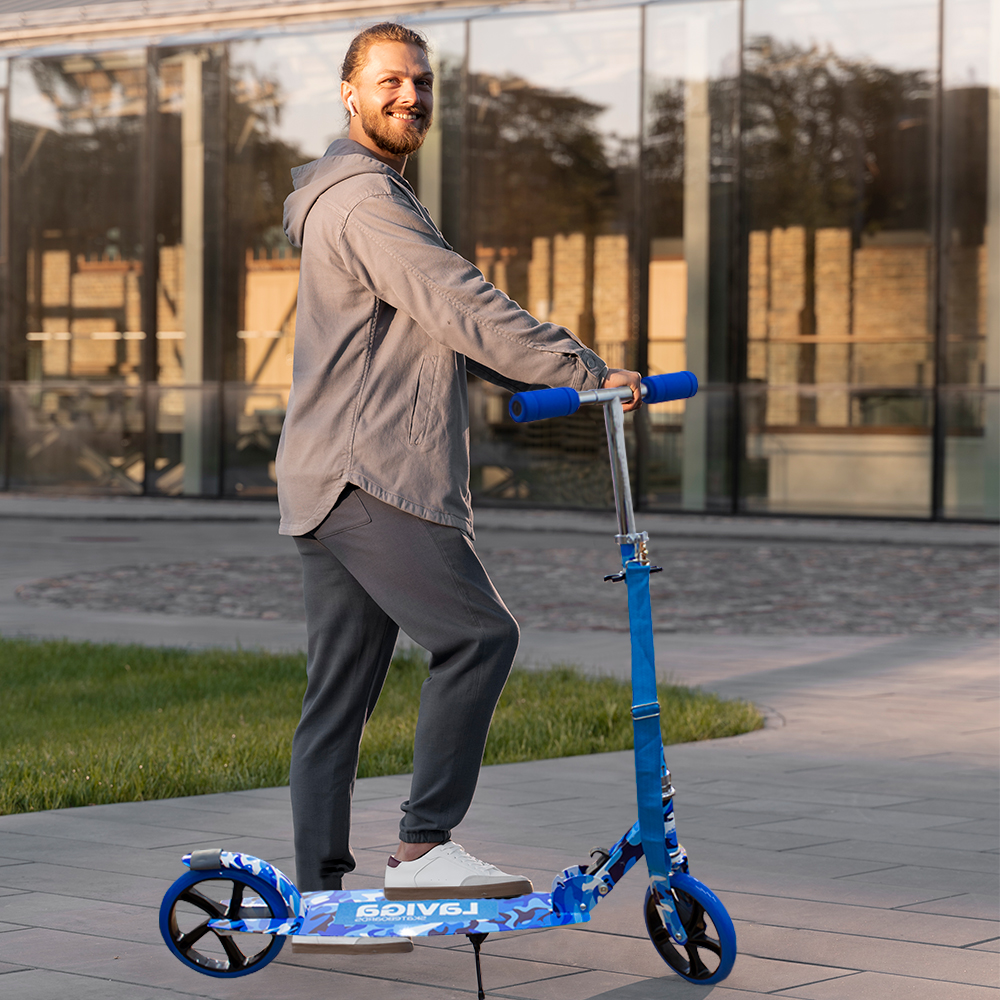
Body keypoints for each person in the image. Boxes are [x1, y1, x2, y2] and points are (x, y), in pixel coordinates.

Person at [276, 21, 642, 953]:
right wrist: (583, 367)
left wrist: (545, 380)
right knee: (480, 636)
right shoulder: (366, 200)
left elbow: (429, 333)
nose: (412, 96)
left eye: (424, 83)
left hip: (328, 476)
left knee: (338, 699)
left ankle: (320, 899)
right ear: (350, 93)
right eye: (391, 81)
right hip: (373, 472)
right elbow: (459, 301)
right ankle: (422, 847)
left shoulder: (353, 198)